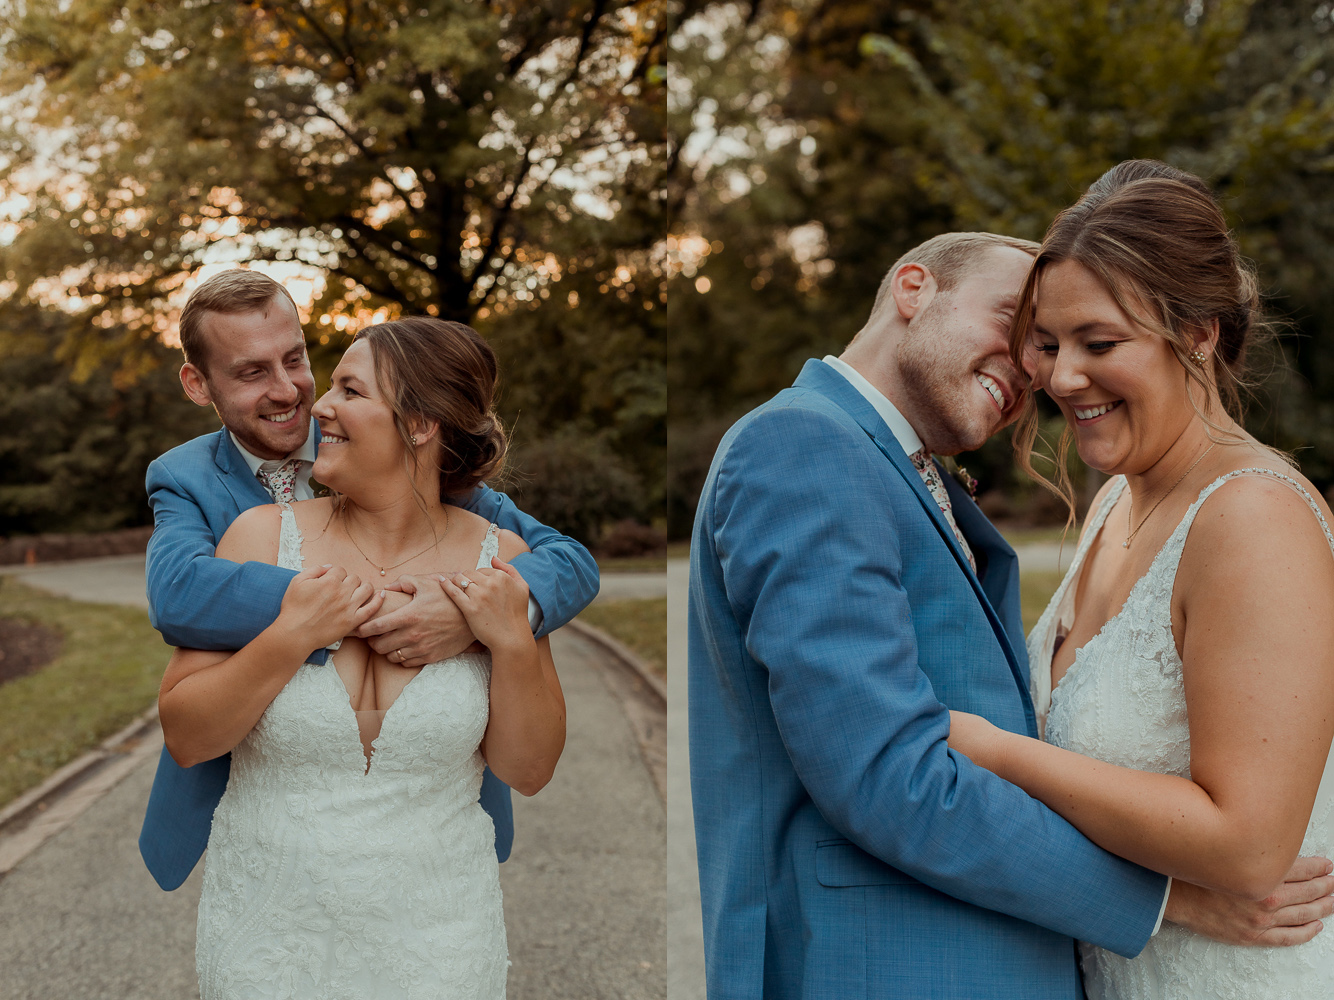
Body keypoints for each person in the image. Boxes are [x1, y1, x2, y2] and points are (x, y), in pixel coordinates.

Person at [688, 229, 1334, 1000]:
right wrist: (1170, 902)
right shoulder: (805, 444)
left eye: (1067, 346)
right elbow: (886, 771)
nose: (1044, 374)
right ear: (914, 289)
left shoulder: (891, 465)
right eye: (1026, 332)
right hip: (875, 966)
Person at [946, 161, 1334, 998]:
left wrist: (996, 752)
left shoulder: (1254, 519)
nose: (1061, 377)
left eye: (1100, 343)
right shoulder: (1117, 500)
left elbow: (1251, 846)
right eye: (1049, 343)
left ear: (1198, 333)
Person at [139, 270, 598, 892]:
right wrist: (326, 607)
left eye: (296, 360)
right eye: (251, 373)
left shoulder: (410, 456)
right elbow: (177, 593)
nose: (293, 394)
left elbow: (566, 559)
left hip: (437, 865)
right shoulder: (189, 481)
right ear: (199, 384)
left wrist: (470, 612)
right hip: (268, 830)